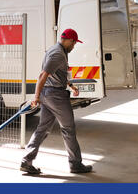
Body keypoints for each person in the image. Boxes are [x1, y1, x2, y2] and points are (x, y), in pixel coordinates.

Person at [20, 29, 93, 174]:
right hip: (56, 96)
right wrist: (36, 97)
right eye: (73, 43)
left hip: (49, 95)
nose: (73, 46)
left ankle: (26, 161)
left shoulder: (57, 50)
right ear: (68, 40)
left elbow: (58, 74)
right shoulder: (57, 54)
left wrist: (71, 86)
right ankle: (75, 164)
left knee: (43, 128)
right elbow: (43, 75)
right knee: (68, 129)